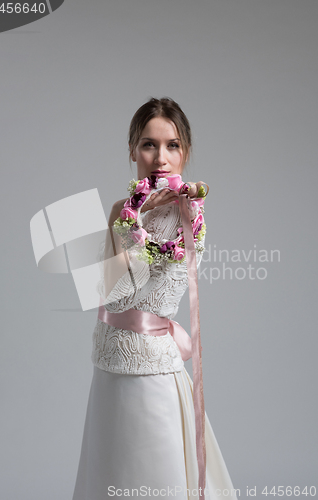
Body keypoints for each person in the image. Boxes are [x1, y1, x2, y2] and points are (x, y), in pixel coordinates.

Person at [72, 97, 238, 500]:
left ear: (185, 152)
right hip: (108, 366)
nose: (160, 158)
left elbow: (117, 298)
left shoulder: (187, 216)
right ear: (132, 149)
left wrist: (124, 225)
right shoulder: (124, 209)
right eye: (149, 144)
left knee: (151, 481)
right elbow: (100, 296)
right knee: (107, 476)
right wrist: (126, 217)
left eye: (172, 145)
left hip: (150, 372)